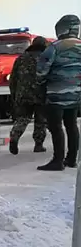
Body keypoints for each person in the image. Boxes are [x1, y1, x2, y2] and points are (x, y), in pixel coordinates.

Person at [35, 14, 81, 171]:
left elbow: (41, 70)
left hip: (56, 94)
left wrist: (41, 84)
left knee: (55, 126)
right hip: (76, 94)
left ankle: (58, 160)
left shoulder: (55, 47)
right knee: (72, 125)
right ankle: (72, 159)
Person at [8, 36, 48, 154]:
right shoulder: (46, 58)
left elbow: (13, 80)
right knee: (40, 121)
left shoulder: (20, 59)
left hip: (23, 94)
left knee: (22, 118)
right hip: (41, 94)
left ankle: (15, 136)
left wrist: (14, 95)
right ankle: (38, 145)